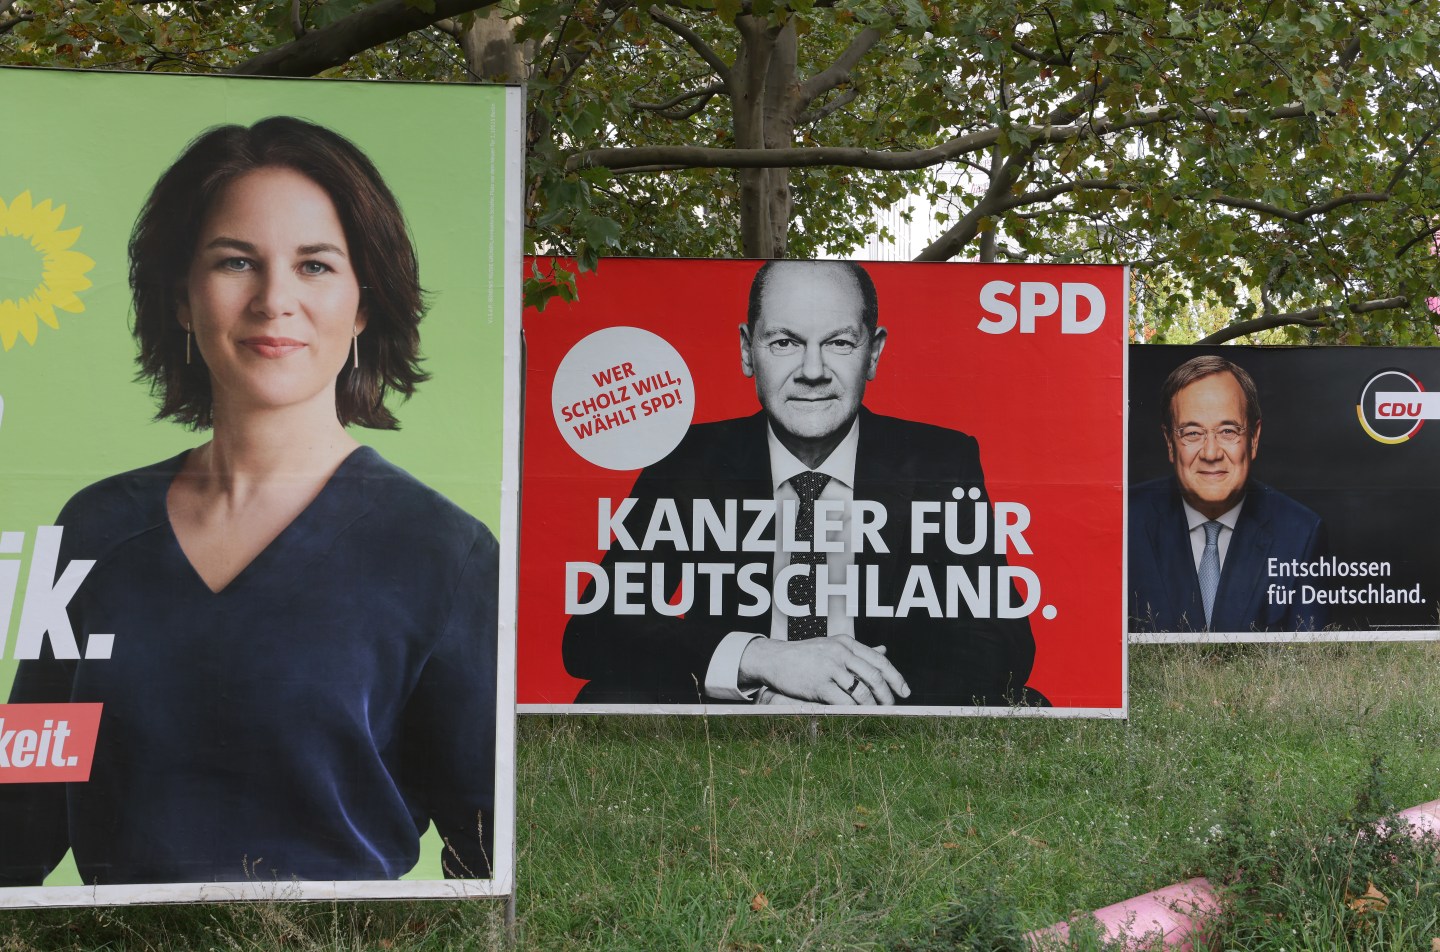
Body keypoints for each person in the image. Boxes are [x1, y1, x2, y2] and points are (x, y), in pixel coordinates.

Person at [0, 118, 497, 885]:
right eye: (237, 261)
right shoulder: (91, 528)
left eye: (316, 266)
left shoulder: (449, 554)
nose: (275, 300)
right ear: (179, 298)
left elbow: (488, 854)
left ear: (364, 302)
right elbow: (18, 816)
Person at [562, 260, 1037, 707]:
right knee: (605, 696)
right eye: (785, 342)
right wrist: (764, 662)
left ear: (873, 353)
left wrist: (846, 689)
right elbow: (593, 634)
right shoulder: (687, 459)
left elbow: (1003, 642)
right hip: (734, 707)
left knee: (1027, 706)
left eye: (839, 343)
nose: (812, 371)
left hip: (882, 710)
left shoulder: (939, 460)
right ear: (748, 351)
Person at [1129, 354, 1326, 632]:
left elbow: (1310, 658)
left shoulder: (1300, 532)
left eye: (1228, 431)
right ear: (1170, 443)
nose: (1211, 453)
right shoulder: (1126, 520)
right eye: (1193, 433)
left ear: (1254, 439)